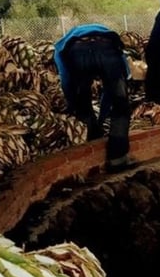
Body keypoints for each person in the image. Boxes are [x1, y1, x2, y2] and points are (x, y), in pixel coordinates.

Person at [53, 24, 133, 172]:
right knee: (121, 105)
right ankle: (118, 159)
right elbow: (115, 88)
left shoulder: (61, 46)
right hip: (106, 47)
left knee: (82, 104)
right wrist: (103, 117)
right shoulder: (107, 36)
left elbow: (66, 79)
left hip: (77, 50)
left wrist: (73, 103)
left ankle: (92, 145)